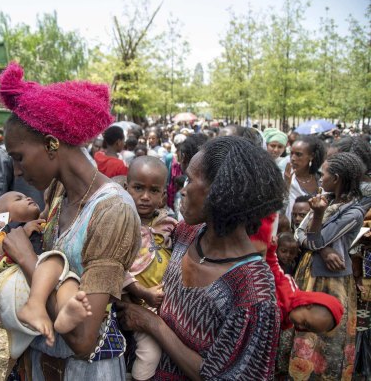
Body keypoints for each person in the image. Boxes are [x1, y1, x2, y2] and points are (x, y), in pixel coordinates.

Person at [0, 62, 141, 379]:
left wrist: (26, 259)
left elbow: (84, 339)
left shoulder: (113, 210)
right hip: (43, 363)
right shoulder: (57, 193)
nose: (17, 172)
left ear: (51, 144)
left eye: (18, 157)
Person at [117, 136, 285, 380]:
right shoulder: (185, 234)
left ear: (221, 192)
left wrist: (152, 324)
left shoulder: (253, 293)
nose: (182, 190)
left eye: (190, 180)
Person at [283, 152, 366, 380]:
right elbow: (299, 232)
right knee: (302, 325)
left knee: (325, 337)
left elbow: (311, 240)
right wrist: (324, 249)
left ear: (336, 178)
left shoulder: (353, 212)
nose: (320, 177)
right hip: (309, 272)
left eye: (324, 173)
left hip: (332, 281)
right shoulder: (326, 198)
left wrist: (318, 218)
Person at [0, 192, 93, 358]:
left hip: (32, 284)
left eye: (25, 196)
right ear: (4, 217)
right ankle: (36, 305)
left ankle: (65, 312)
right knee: (56, 261)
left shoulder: (41, 225)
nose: (27, 197)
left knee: (68, 278)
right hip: (14, 282)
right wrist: (23, 231)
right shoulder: (5, 231)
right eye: (18, 199)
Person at [122, 156, 177, 381]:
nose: (145, 197)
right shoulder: (121, 222)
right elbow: (113, 266)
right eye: (138, 188)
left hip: (164, 304)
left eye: (154, 191)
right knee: (149, 352)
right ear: (126, 188)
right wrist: (141, 292)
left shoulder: (169, 225)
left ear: (163, 195)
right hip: (132, 302)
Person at [284, 135, 326, 221]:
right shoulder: (285, 177)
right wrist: (286, 186)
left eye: (298, 154)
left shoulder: (321, 179)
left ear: (311, 156)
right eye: (291, 153)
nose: (293, 158)